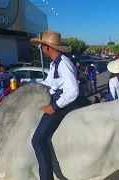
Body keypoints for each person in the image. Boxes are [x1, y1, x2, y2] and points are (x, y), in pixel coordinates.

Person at [30, 30, 79, 180]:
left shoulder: (64, 63)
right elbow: (48, 83)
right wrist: (30, 87)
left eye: (42, 46)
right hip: (55, 99)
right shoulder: (54, 64)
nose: (42, 49)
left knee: (37, 139)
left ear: (47, 48)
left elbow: (73, 91)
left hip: (63, 104)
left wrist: (54, 107)